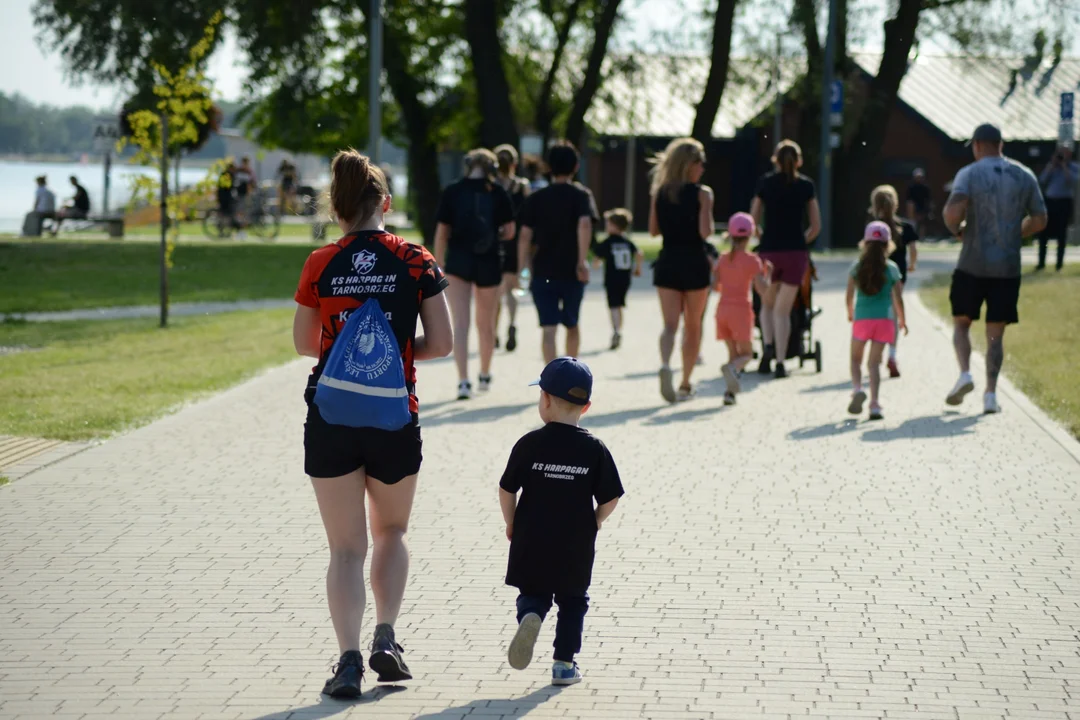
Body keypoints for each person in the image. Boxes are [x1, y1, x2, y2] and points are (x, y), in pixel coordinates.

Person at [292, 149, 453, 698]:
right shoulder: (415, 259)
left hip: (332, 416)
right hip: (394, 414)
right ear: (386, 203)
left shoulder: (321, 262)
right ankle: (387, 636)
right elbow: (444, 343)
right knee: (391, 532)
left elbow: (301, 343)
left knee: (344, 550)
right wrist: (396, 353)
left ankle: (347, 662)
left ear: (338, 208)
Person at [499, 357, 624, 686]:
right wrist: (596, 521)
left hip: (532, 536)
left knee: (534, 589)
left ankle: (531, 614)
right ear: (586, 406)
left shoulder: (529, 444)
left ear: (545, 400)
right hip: (575, 541)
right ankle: (563, 664)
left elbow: (506, 488)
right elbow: (611, 496)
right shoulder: (594, 449)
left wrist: (511, 522)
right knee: (572, 600)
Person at [942, 123, 1047, 414]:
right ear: (1000, 144)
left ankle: (965, 373)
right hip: (1007, 267)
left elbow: (952, 210)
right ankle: (990, 395)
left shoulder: (969, 173)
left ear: (976, 145)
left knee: (962, 324)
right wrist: (1016, 232)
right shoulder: (1024, 174)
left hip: (972, 264)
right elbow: (1040, 218)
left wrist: (957, 228)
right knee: (995, 335)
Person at [434, 148, 516, 400]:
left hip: (459, 261)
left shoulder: (453, 191)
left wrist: (439, 265)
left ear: (468, 165)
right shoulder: (498, 192)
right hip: (489, 260)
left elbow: (441, 233)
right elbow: (510, 230)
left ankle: (463, 381)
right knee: (486, 323)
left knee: (460, 323)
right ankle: (484, 372)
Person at [649, 137, 714, 402]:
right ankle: (686, 383)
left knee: (669, 325)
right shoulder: (703, 193)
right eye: (700, 162)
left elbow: (653, 230)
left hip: (668, 262)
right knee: (693, 325)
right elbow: (705, 232)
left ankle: (665, 365)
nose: (703, 167)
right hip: (695, 263)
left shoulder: (660, 192)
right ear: (690, 164)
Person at [750, 140, 821, 379]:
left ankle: (767, 349)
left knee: (767, 305)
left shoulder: (765, 183)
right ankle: (781, 362)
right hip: (795, 253)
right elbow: (816, 226)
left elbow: (753, 220)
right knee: (783, 310)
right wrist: (802, 240)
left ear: (775, 160)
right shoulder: (806, 186)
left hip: (769, 252)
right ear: (799, 161)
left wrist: (762, 236)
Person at [518, 140, 594, 364]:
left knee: (549, 328)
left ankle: (552, 377)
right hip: (572, 269)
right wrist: (582, 261)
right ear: (576, 167)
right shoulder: (581, 196)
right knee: (572, 323)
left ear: (548, 167)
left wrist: (524, 266)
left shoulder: (536, 198)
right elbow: (585, 225)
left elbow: (524, 236)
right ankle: (571, 371)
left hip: (543, 270)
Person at [845, 221, 907, 421]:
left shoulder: (856, 267)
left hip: (862, 319)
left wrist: (849, 312)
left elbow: (849, 296)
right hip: (884, 322)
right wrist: (903, 320)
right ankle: (874, 404)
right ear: (888, 244)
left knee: (855, 359)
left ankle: (856, 389)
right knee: (874, 364)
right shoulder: (892, 268)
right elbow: (898, 298)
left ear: (865, 242)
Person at [713, 212, 771, 406]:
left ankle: (729, 393)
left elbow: (715, 286)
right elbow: (763, 290)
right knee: (746, 354)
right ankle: (731, 370)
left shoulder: (722, 259)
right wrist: (768, 274)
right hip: (741, 310)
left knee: (733, 354)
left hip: (722, 310)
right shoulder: (753, 260)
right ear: (751, 235)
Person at [868, 185, 918, 378]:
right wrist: (912, 264)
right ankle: (892, 355)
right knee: (893, 314)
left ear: (874, 205)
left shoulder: (873, 228)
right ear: (895, 204)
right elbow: (913, 249)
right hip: (897, 276)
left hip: (875, 274)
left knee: (878, 311)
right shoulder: (906, 227)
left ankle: (876, 354)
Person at [493, 144, 531, 353]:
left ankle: (495, 331)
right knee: (512, 288)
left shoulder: (492, 186)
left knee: (495, 289)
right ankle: (512, 323)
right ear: (515, 163)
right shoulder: (522, 186)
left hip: (496, 241)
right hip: (516, 242)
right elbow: (527, 217)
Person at [592, 208, 643, 350]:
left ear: (615, 226)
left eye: (608, 224)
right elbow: (639, 253)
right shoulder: (627, 242)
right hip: (625, 279)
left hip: (611, 279)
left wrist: (596, 264)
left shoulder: (608, 242)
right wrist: (638, 268)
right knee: (619, 305)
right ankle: (618, 328)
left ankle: (616, 330)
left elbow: (596, 259)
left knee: (613, 305)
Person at [1037, 146, 1077, 271]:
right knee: (1043, 232)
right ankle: (1041, 263)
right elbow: (1042, 180)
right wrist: (1052, 165)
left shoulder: (1073, 167)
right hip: (1050, 202)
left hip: (1064, 202)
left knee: (1061, 233)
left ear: (1070, 154)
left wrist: (1064, 165)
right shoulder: (1052, 167)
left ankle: (1059, 264)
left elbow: (1073, 181)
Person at [905, 168, 933, 241]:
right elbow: (909, 200)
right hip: (914, 207)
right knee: (913, 223)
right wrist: (910, 210)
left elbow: (928, 199)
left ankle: (922, 237)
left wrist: (928, 209)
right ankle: (912, 237)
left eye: (920, 177)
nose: (919, 178)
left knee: (922, 223)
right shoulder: (911, 187)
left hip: (923, 207)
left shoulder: (925, 188)